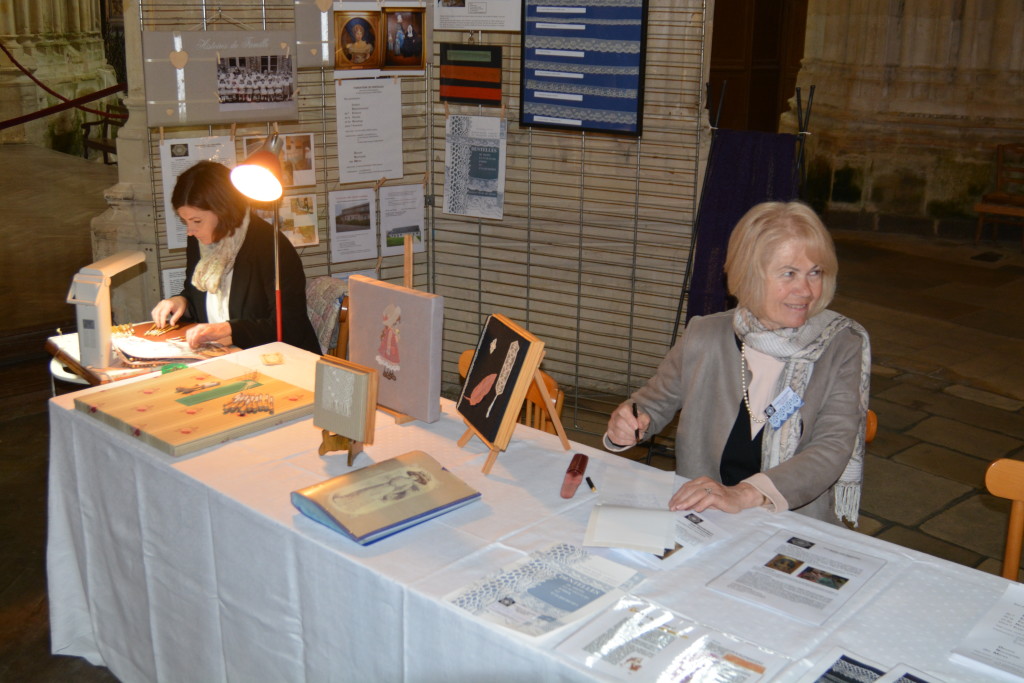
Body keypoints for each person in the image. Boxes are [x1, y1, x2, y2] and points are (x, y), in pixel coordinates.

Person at [604, 201, 871, 527]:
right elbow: (652, 403)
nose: (806, 290)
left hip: (793, 520)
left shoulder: (841, 345)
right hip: (703, 514)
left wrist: (744, 494)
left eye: (815, 272)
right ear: (750, 274)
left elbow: (831, 448)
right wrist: (628, 425)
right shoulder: (705, 335)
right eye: (789, 273)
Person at [151, 160, 321, 354]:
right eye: (185, 221)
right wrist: (180, 302)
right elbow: (197, 293)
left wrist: (229, 329)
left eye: (197, 221)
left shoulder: (269, 246)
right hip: (224, 355)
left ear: (222, 212)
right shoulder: (199, 241)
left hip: (277, 359)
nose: (190, 231)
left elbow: (289, 326)